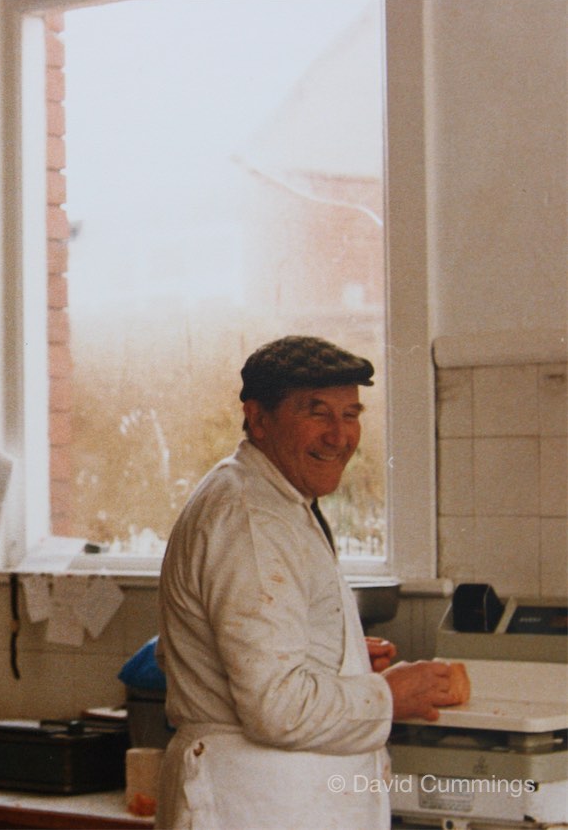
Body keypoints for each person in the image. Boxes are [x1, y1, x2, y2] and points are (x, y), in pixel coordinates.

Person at [155, 336, 459, 829]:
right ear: (258, 418)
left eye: (350, 415)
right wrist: (388, 696)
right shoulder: (252, 517)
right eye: (317, 413)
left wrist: (336, 655)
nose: (339, 436)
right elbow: (275, 708)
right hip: (254, 803)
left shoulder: (272, 497)